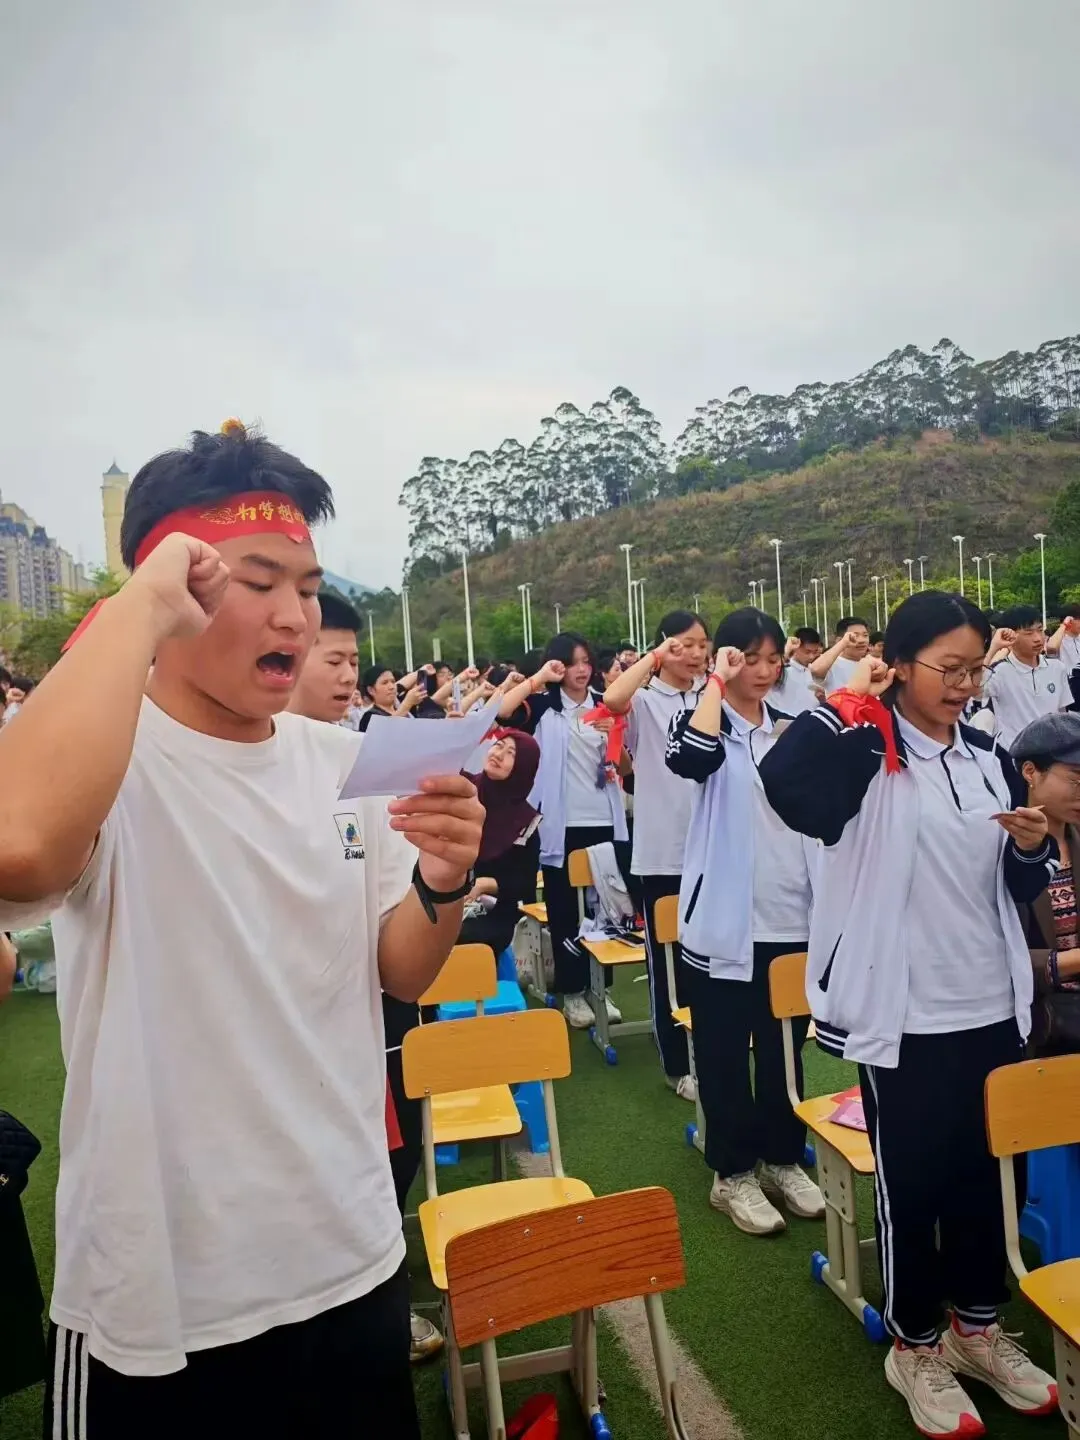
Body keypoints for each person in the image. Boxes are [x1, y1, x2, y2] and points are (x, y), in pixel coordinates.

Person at [0, 421, 484, 1438]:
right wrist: (136, 604)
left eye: (307, 587)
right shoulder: (111, 757)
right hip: (165, 1298)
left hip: (350, 1257)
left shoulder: (341, 764)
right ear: (171, 584)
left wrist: (442, 881)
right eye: (256, 579)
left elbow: (402, 972)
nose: (295, 616)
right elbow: (23, 849)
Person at [760, 591, 1058, 1438]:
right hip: (906, 1010)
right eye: (949, 670)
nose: (965, 686)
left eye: (976, 670)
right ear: (901, 661)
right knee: (914, 1181)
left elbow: (1014, 886)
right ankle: (915, 1343)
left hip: (989, 1003)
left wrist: (1033, 848)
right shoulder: (864, 746)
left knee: (982, 1178)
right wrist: (853, 700)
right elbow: (789, 789)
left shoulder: (989, 756)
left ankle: (977, 1328)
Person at [289, 595, 443, 1365]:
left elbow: (404, 944)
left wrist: (448, 878)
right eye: (335, 660)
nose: (349, 675)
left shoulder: (368, 765)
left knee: (392, 1155)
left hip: (373, 1024)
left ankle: (388, 1284)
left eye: (355, 660)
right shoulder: (168, 763)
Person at [665, 607, 824, 1235]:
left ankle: (783, 1158)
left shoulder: (790, 727)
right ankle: (731, 1174)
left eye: (770, 660)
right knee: (725, 1053)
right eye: (746, 658)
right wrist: (713, 684)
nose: (761, 671)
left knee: (785, 1053)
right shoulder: (702, 720)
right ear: (723, 659)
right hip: (724, 926)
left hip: (791, 919)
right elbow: (691, 761)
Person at [603, 611, 710, 1101]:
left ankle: (708, 1054)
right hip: (664, 855)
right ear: (664, 647)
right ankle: (676, 1066)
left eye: (702, 644)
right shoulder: (646, 702)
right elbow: (613, 699)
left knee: (710, 965)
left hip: (712, 852)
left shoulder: (714, 696)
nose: (695, 653)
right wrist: (651, 658)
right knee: (668, 967)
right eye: (684, 644)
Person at [498, 633, 629, 1030]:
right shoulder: (542, 707)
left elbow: (625, 769)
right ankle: (573, 993)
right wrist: (539, 676)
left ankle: (599, 989)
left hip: (603, 821)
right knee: (566, 911)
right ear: (558, 665)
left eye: (587, 661)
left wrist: (614, 740)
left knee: (603, 910)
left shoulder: (606, 705)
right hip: (561, 826)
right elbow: (502, 712)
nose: (582, 669)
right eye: (572, 662)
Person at [1010, 712, 1080, 1054]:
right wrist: (1070, 962)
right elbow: (996, 959)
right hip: (1039, 1027)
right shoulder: (1001, 854)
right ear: (1030, 772)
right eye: (1077, 780)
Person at [459, 731, 542, 957]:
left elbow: (525, 884)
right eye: (499, 745)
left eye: (511, 753)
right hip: (444, 899)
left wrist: (485, 884)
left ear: (523, 768)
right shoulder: (464, 789)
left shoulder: (525, 823)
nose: (499, 754)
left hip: (491, 911)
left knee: (466, 937)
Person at [983, 605, 1070, 749]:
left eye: (1040, 630)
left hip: (1050, 753)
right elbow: (974, 689)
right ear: (1009, 635)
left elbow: (1062, 714)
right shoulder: (999, 672)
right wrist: (994, 648)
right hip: (1012, 754)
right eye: (1028, 633)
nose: (1037, 638)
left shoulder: (1057, 668)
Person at [288, 592, 360, 725]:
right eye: (335, 662)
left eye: (354, 663)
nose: (350, 677)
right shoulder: (252, 739)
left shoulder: (348, 742)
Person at [808, 615, 871, 695]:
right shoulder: (831, 664)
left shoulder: (869, 664)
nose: (862, 640)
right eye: (855, 635)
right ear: (840, 640)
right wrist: (843, 643)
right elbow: (815, 669)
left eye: (865, 635)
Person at [768, 626, 822, 715]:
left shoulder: (809, 670)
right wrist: (786, 652)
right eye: (807, 652)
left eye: (815, 652)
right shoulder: (784, 670)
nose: (811, 656)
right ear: (796, 647)